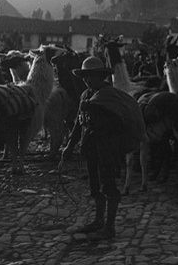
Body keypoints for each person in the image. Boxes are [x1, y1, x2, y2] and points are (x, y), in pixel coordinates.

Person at [58, 56, 144, 240]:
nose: (88, 80)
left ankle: (110, 227)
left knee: (109, 185)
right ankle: (98, 220)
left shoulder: (110, 96)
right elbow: (79, 124)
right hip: (91, 148)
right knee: (95, 185)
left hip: (107, 148)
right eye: (85, 76)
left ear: (101, 76)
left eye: (92, 76)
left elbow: (115, 123)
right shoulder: (85, 96)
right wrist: (69, 146)